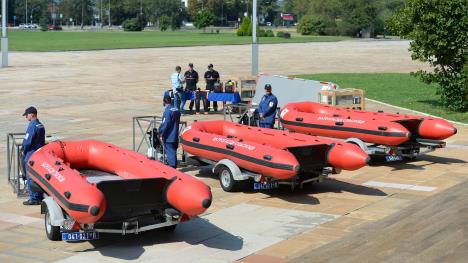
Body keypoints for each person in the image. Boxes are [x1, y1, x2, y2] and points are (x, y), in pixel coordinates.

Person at [21, 106, 45, 205]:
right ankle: (38, 196)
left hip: (31, 154)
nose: (26, 117)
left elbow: (27, 141)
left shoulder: (32, 126)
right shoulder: (40, 125)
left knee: (30, 176)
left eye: (27, 115)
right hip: (39, 154)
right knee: (37, 176)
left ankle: (34, 199)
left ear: (32, 114)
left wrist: (23, 150)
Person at [159, 96, 181, 168]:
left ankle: (172, 168)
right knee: (173, 152)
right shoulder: (176, 109)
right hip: (175, 134)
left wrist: (161, 133)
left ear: (164, 102)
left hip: (169, 136)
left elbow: (166, 124)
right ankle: (172, 164)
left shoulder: (168, 111)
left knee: (170, 152)